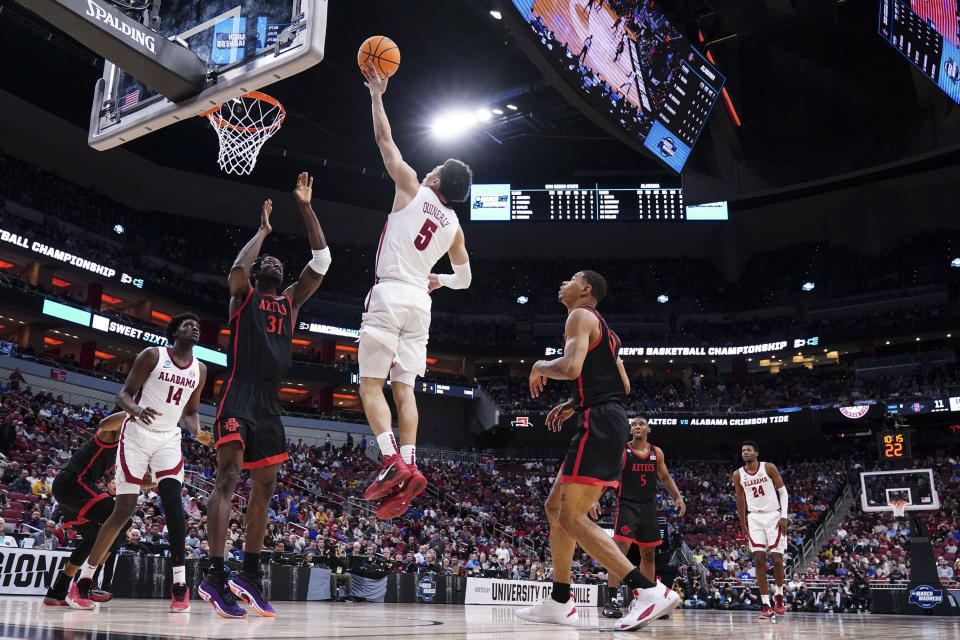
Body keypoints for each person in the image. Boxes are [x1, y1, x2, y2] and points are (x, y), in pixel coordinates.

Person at [517, 271, 680, 631]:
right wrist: (576, 402)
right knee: (554, 507)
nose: (563, 282)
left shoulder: (580, 315)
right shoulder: (606, 331)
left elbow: (570, 367)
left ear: (585, 290)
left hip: (601, 422)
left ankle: (648, 590)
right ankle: (560, 599)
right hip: (602, 415)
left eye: (571, 278)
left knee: (573, 516)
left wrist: (537, 366)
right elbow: (621, 383)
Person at [201, 173, 331, 619]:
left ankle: (249, 574)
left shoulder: (291, 302)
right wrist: (262, 232)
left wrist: (305, 207)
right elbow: (236, 271)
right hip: (238, 393)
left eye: (278, 261)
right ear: (260, 274)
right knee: (228, 477)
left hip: (271, 403)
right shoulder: (243, 298)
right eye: (267, 262)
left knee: (267, 486)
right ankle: (214, 573)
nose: (274, 263)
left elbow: (322, 261)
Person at [357, 61, 473, 520]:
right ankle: (411, 463)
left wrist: (377, 95)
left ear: (437, 181)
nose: (426, 170)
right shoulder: (456, 228)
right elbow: (465, 280)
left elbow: (385, 142)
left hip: (389, 295)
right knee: (403, 390)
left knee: (369, 386)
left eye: (434, 169)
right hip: (421, 305)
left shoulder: (411, 187)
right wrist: (439, 279)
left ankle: (389, 459)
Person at [69, 314, 212, 613]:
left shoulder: (200, 369)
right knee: (123, 510)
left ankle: (179, 584)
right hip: (135, 434)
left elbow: (190, 412)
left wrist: (196, 432)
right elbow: (124, 395)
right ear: (175, 332)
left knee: (173, 503)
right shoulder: (152, 355)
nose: (195, 328)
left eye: (197, 325)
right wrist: (137, 409)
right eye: (188, 325)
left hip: (169, 439)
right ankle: (84, 580)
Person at [44, 412, 145, 607]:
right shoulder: (110, 435)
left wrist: (167, 478)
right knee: (122, 519)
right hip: (73, 482)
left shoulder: (124, 450)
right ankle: (88, 583)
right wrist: (136, 409)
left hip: (71, 492)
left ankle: (57, 592)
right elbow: (105, 423)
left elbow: (144, 480)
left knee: (93, 538)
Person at [600, 417, 686, 618]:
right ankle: (612, 599)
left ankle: (648, 600)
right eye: (634, 425)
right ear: (630, 430)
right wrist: (595, 499)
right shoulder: (623, 451)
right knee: (619, 551)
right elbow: (610, 477)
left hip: (648, 508)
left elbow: (665, 478)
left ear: (648, 429)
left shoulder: (657, 453)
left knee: (649, 555)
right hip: (627, 505)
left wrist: (678, 497)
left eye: (641, 424)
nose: (637, 426)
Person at [733, 440, 789, 619]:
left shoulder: (768, 467)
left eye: (749, 450)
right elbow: (740, 500)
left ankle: (779, 594)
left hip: (773, 515)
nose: (745, 453)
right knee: (758, 559)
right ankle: (766, 605)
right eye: (743, 451)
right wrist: (743, 524)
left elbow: (783, 492)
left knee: (778, 559)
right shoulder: (738, 474)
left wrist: (784, 516)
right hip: (754, 518)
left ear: (756, 453)